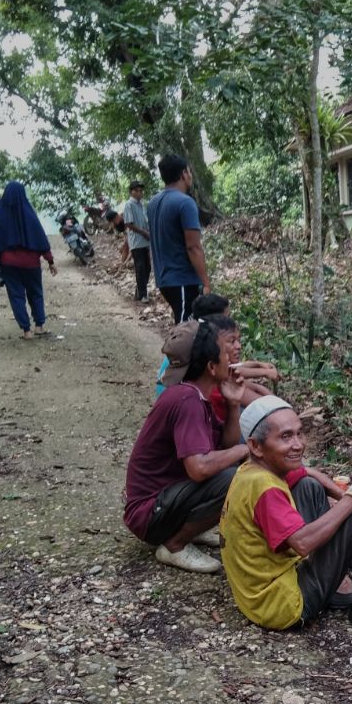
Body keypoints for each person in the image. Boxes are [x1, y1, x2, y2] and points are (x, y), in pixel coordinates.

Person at [221, 396, 352, 631]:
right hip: (282, 605)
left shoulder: (252, 470)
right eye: (286, 437)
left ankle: (335, 586)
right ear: (255, 445)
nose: (298, 444)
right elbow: (302, 544)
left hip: (261, 594)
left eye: (299, 433)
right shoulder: (265, 488)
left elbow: (308, 473)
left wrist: (341, 494)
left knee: (309, 486)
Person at [124, 321, 247, 573]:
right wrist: (245, 452)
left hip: (165, 500)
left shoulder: (194, 394)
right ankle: (174, 544)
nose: (231, 357)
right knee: (237, 476)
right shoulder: (187, 401)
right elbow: (199, 469)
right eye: (225, 352)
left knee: (234, 461)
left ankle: (191, 529)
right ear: (211, 367)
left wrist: (233, 404)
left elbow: (226, 444)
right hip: (150, 514)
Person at [0, 181, 57, 339]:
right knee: (36, 293)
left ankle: (26, 331)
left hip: (9, 263)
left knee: (16, 295)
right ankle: (39, 326)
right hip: (31, 263)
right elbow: (40, 238)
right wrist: (50, 261)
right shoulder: (29, 213)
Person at [147, 154, 210, 324]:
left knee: (191, 330)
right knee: (185, 334)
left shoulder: (153, 203)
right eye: (189, 171)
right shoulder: (185, 203)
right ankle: (169, 353)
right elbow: (193, 247)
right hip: (183, 280)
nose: (191, 175)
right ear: (184, 174)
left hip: (164, 279)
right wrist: (206, 284)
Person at [122, 181, 151, 295]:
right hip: (136, 241)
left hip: (144, 240)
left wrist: (147, 232)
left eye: (140, 191)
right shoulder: (129, 205)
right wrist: (143, 232)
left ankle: (139, 290)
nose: (139, 193)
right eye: (136, 191)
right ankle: (143, 294)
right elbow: (129, 224)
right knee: (140, 266)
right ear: (131, 192)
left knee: (147, 267)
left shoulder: (142, 205)